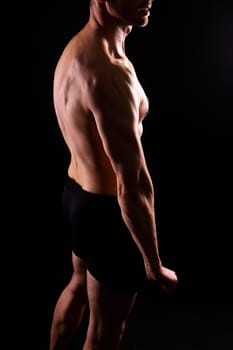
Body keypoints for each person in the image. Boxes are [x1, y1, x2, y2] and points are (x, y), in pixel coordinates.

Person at [49, 1, 178, 349]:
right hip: (109, 215)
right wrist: (154, 263)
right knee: (106, 332)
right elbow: (132, 186)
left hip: (75, 196)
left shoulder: (75, 51)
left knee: (76, 287)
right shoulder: (108, 73)